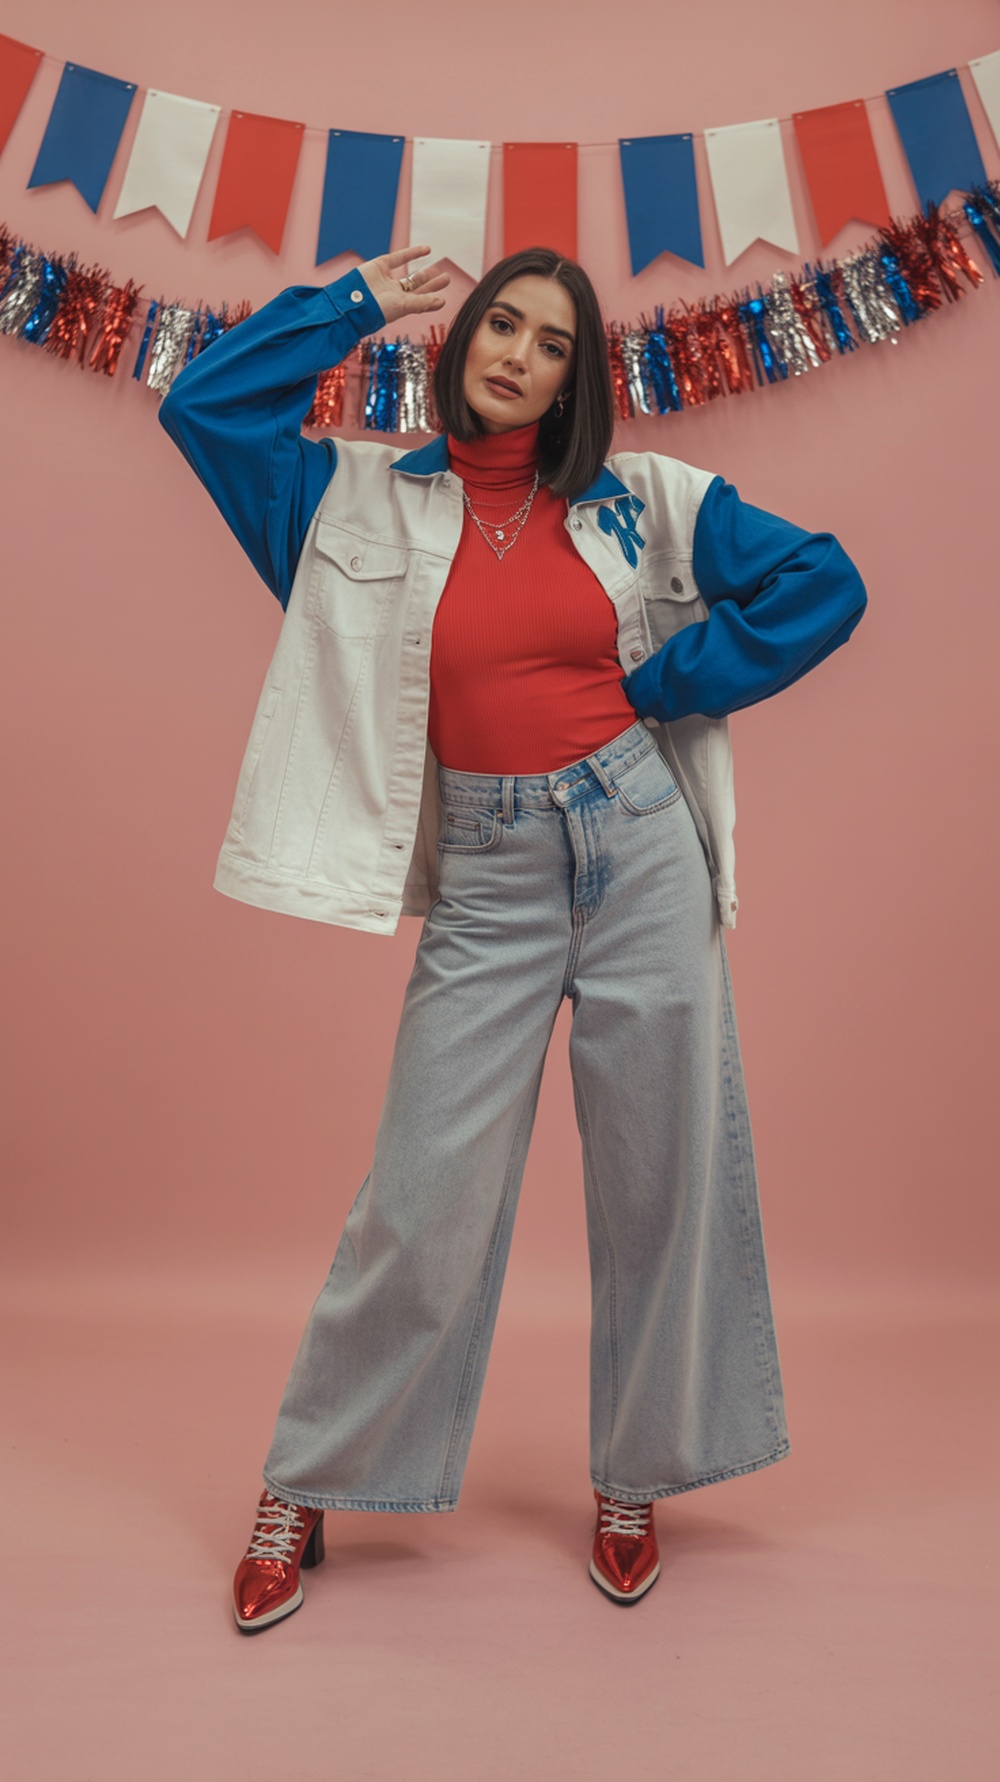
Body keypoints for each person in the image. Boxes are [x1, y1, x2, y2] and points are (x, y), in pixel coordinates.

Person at [158, 241, 867, 1633]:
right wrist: (354, 303)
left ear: (575, 375)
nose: (517, 354)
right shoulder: (343, 496)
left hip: (638, 843)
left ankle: (635, 1472)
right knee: (420, 1198)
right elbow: (204, 409)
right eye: (501, 323)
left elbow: (825, 584)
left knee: (667, 1175)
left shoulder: (644, 501)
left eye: (551, 341)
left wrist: (671, 676)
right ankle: (307, 1478)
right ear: (460, 334)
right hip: (485, 874)